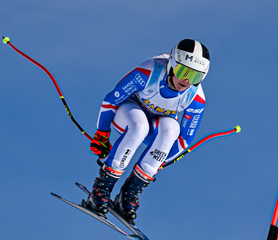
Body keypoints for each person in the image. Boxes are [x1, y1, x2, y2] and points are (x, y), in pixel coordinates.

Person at [86, 39, 210, 225]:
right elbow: (112, 100)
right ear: (172, 65)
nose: (186, 81)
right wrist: (102, 133)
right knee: (140, 126)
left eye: (195, 77)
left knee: (172, 129)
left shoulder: (196, 97)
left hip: (155, 128)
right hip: (128, 115)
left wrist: (160, 161)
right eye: (184, 72)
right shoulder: (150, 71)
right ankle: (101, 189)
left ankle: (129, 193)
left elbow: (185, 138)